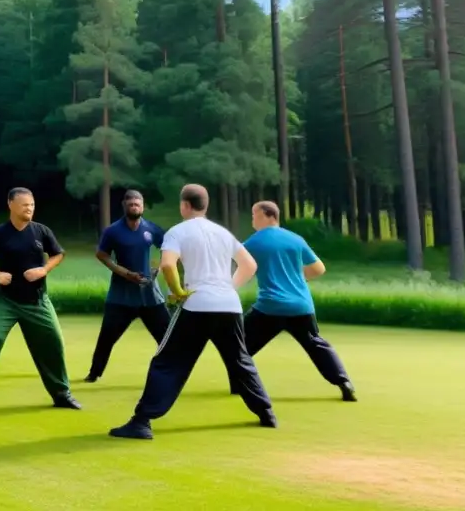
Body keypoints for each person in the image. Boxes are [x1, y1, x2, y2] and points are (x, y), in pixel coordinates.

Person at [108, 184, 276, 440]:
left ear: (184, 205)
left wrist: (178, 291)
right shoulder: (223, 233)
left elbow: (167, 264)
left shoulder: (177, 232)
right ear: (205, 205)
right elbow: (249, 265)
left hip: (197, 305)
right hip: (229, 306)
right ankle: (266, 413)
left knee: (167, 362)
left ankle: (141, 422)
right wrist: (228, 287)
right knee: (240, 361)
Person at [0, 187, 81, 416]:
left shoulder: (41, 231)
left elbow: (58, 254)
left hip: (37, 301)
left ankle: (62, 395)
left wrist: (44, 270)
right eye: (25, 205)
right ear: (11, 205)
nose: (29, 208)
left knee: (53, 342)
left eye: (32, 205)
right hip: (4, 301)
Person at [231, 201, 356, 402]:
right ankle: (344, 382)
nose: (252, 219)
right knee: (317, 345)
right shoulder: (296, 240)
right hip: (301, 306)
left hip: (269, 307)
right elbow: (318, 269)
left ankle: (239, 384)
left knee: (239, 346)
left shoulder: (253, 242)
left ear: (267, 215)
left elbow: (241, 265)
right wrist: (295, 277)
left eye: (255, 215)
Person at [84, 190, 170, 382]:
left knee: (166, 338)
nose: (134, 207)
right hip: (121, 296)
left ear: (143, 206)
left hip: (149, 295)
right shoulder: (113, 230)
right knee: (106, 337)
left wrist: (160, 268)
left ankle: (172, 373)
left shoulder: (151, 229)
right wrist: (124, 272)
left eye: (137, 204)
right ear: (125, 206)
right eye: (131, 204)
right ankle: (94, 373)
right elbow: (102, 254)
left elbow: (169, 248)